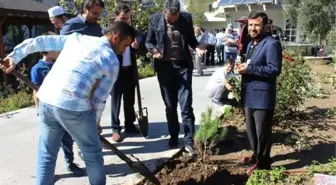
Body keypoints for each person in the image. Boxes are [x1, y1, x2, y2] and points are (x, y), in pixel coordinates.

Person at [0, 21, 136, 185]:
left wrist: (14, 57)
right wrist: (94, 124)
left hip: (47, 99)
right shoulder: (112, 62)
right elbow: (98, 101)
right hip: (74, 107)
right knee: (92, 153)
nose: (125, 50)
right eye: (126, 45)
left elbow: (39, 41)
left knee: (47, 154)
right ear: (115, 38)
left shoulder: (77, 38)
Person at [145, 0, 206, 156]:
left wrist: (197, 46)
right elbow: (148, 41)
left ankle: (189, 141)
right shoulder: (154, 19)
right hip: (164, 67)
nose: (173, 19)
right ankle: (173, 136)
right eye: (170, 17)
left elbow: (191, 39)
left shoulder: (186, 18)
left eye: (176, 16)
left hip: (183, 67)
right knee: (170, 106)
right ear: (164, 11)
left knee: (186, 106)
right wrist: (154, 51)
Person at [235, 12, 282, 175]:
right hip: (249, 94)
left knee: (262, 132)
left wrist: (250, 69)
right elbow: (249, 65)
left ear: (265, 26)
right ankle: (256, 155)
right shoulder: (251, 44)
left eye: (256, 25)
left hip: (262, 96)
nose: (252, 28)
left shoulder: (271, 43)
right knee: (251, 130)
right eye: (250, 25)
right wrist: (238, 68)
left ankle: (263, 163)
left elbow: (274, 69)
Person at [110, 3, 144, 142]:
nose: (126, 21)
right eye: (123, 18)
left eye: (128, 18)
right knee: (116, 100)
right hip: (115, 72)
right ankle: (115, 129)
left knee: (129, 100)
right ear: (116, 17)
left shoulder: (133, 33)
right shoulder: (110, 33)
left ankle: (129, 124)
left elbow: (142, 40)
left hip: (129, 70)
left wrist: (137, 46)